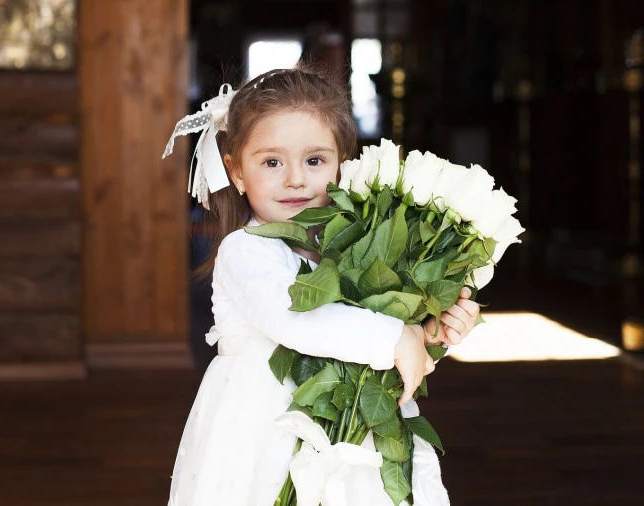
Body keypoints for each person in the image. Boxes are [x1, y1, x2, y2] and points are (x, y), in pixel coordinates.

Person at [162, 67, 480, 506]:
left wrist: (426, 334)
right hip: (266, 434)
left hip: (351, 439)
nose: (296, 179)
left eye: (315, 161)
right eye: (272, 162)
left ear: (342, 164)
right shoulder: (247, 250)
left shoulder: (352, 249)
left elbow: (368, 347)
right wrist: (393, 337)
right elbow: (295, 319)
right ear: (236, 172)